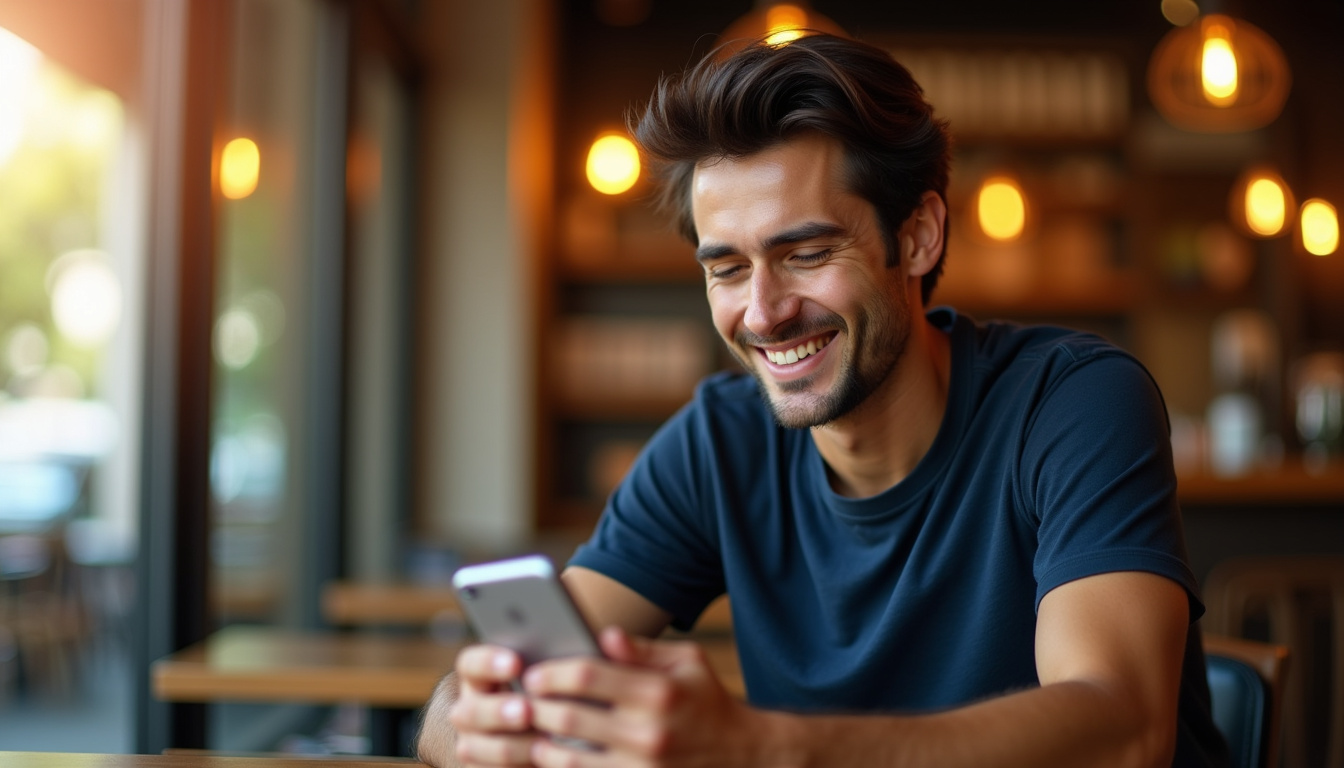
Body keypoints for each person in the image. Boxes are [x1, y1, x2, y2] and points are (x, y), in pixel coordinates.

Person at [418, 33, 1230, 768]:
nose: (763, 312)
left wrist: (761, 747)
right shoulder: (718, 443)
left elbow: (1122, 729)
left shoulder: (1072, 402)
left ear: (916, 237)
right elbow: (462, 707)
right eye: (727, 269)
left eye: (804, 253)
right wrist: (476, 721)